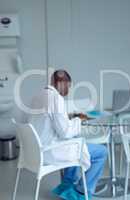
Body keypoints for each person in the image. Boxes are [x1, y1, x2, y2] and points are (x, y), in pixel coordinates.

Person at [28, 70, 107, 200]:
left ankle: (67, 185)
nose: (69, 90)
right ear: (63, 83)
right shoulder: (56, 98)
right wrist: (79, 120)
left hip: (36, 151)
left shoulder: (39, 95)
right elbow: (65, 132)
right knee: (101, 152)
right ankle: (81, 192)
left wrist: (68, 118)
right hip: (49, 152)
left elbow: (50, 121)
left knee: (75, 141)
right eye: (69, 86)